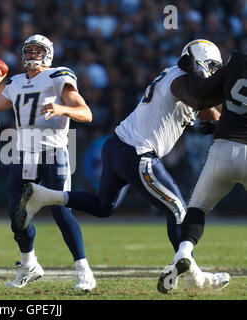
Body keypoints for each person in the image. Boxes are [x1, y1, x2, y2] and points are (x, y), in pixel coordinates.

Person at [16, 39, 230, 290]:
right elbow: (196, 97)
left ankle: (44, 196)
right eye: (213, 67)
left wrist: (222, 118)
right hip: (138, 153)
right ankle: (195, 276)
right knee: (178, 210)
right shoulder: (182, 78)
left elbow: (205, 110)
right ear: (201, 61)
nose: (214, 73)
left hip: (118, 146)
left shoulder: (182, 78)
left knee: (103, 206)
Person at [0, 34, 96, 291]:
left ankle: (84, 271)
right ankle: (29, 265)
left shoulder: (58, 76)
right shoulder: (17, 81)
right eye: (28, 51)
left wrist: (62, 109)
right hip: (25, 154)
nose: (31, 55)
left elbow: (86, 113)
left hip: (53, 152)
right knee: (17, 213)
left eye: (37, 51)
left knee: (61, 211)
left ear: (48, 54)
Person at [157, 49, 246, 293]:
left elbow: (200, 92)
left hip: (223, 148)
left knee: (197, 208)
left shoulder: (239, 61)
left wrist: (193, 68)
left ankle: (183, 253)